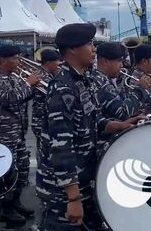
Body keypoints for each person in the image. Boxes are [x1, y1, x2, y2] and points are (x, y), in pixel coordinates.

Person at [36, 23, 104, 230]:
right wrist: (73, 199)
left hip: (84, 180)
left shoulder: (82, 80)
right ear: (73, 49)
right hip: (63, 191)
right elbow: (61, 146)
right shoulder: (63, 88)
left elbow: (87, 123)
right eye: (89, 44)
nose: (94, 49)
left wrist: (118, 126)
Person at [0, 45, 40, 227]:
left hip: (18, 132)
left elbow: (23, 97)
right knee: (8, 173)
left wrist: (34, 85)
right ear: (3, 61)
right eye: (14, 59)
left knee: (23, 169)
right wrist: (28, 83)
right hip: (3, 134)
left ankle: (16, 202)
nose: (18, 62)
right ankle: (6, 209)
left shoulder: (14, 77)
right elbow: (10, 98)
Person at [94, 42, 150, 155]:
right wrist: (140, 90)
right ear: (105, 61)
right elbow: (123, 112)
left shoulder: (105, 80)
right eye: (119, 61)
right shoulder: (101, 83)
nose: (122, 66)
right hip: (104, 146)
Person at [31, 49, 61, 163]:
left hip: (47, 119)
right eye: (56, 61)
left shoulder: (51, 75)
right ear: (48, 63)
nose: (58, 64)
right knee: (44, 151)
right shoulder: (40, 76)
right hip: (41, 119)